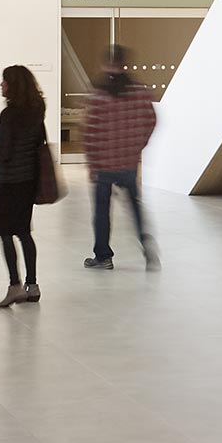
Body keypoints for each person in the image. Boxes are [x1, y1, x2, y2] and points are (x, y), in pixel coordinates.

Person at [81, 43, 159, 272]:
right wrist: (138, 146)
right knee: (135, 207)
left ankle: (103, 256)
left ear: (107, 64)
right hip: (128, 162)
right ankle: (146, 244)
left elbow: (90, 133)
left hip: (104, 164)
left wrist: (92, 164)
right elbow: (151, 120)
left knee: (102, 212)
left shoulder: (99, 94)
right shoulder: (140, 91)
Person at [0, 64, 50, 308]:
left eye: (4, 81)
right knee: (24, 232)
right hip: (29, 179)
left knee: (6, 233)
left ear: (13, 85)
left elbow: (7, 151)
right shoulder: (37, 111)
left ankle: (14, 286)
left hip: (11, 180)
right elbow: (37, 142)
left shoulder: (9, 115)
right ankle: (32, 285)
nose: (1, 85)